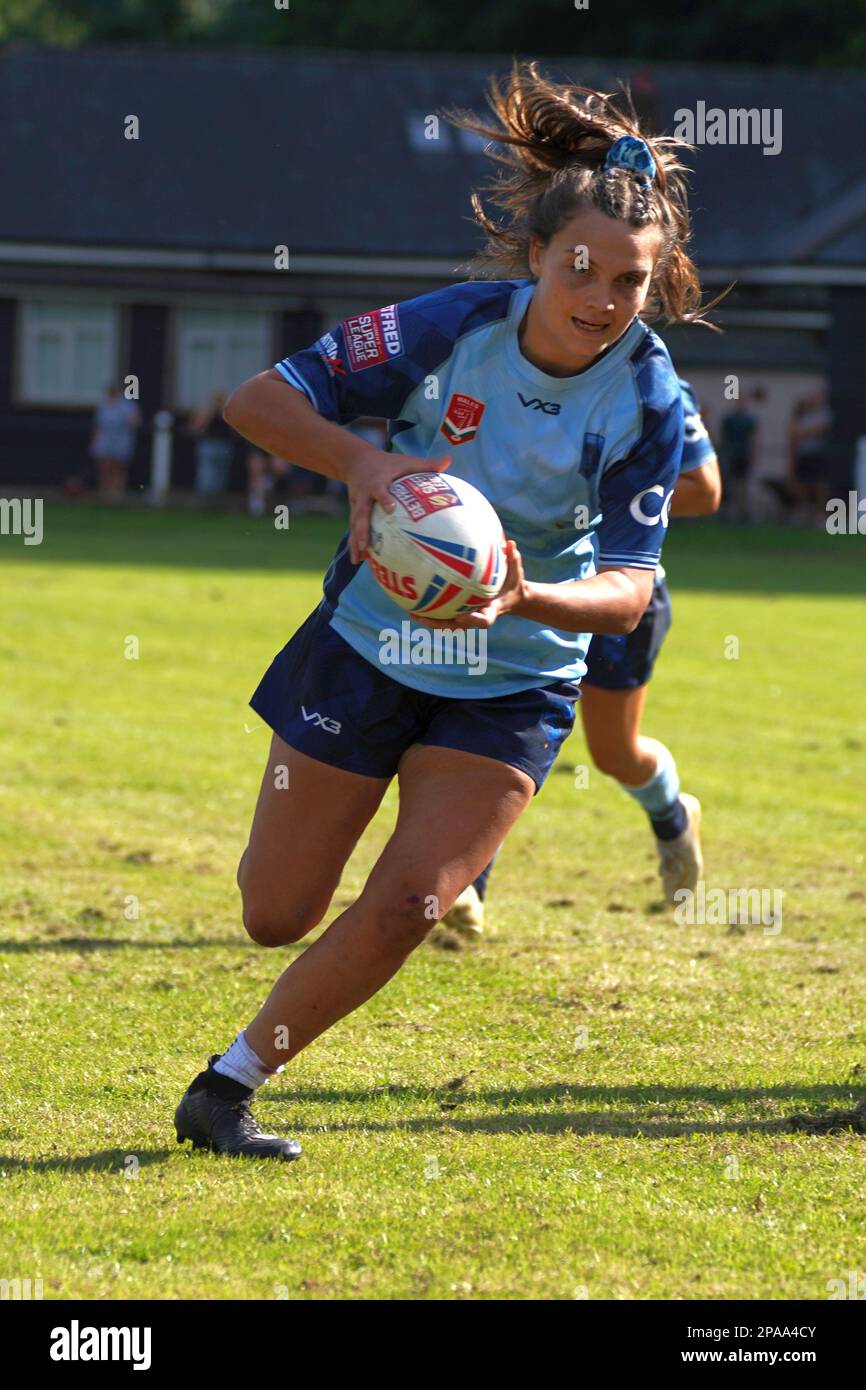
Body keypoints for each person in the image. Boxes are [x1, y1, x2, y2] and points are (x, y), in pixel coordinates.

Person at [173, 63, 722, 1159]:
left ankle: (226, 1088)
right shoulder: (451, 326)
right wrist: (366, 464)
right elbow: (255, 401)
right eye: (583, 268)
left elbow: (627, 591)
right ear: (538, 256)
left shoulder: (650, 396)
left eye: (630, 280)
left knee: (411, 901)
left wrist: (526, 593)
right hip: (367, 646)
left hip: (514, 678)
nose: (603, 298)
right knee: (274, 911)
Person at [445, 381, 721, 939]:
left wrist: (596, 498)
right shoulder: (498, 368)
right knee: (496, 723)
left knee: (615, 753)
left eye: (626, 287)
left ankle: (672, 815)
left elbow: (704, 490)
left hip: (617, 597)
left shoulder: (654, 390)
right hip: (513, 588)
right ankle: (467, 883)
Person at [89, 382, 141, 500]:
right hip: (105, 438)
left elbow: (135, 422)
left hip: (121, 439)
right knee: (104, 466)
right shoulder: (103, 405)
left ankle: (117, 493)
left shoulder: (127, 405)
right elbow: (98, 425)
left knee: (118, 466)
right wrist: (94, 442)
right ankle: (104, 491)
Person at [789, 388, 832, 525]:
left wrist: (803, 432)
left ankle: (821, 514)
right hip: (803, 454)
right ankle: (806, 510)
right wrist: (805, 432)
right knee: (800, 483)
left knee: (820, 485)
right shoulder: (803, 414)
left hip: (818, 454)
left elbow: (820, 429)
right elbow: (793, 434)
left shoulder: (825, 414)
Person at [719, 393, 758, 522]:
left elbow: (754, 439)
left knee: (743, 484)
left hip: (743, 455)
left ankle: (743, 512)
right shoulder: (729, 419)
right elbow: (724, 438)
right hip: (732, 454)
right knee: (731, 484)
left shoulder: (749, 420)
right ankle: (729, 512)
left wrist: (753, 455)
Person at [190, 388, 236, 498]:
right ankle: (204, 497)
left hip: (224, 444)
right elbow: (196, 427)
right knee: (206, 472)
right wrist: (210, 411)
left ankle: (217, 498)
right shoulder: (206, 410)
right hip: (208, 444)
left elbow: (235, 430)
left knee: (221, 473)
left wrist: (225, 412)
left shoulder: (228, 411)